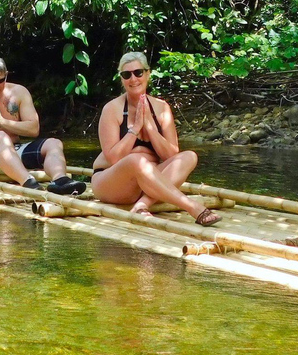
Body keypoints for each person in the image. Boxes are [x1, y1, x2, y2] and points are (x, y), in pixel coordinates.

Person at [90, 52, 221, 226]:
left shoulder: (161, 108)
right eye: (126, 75)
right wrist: (135, 128)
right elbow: (113, 158)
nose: (133, 79)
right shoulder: (112, 109)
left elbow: (170, 156)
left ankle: (143, 204)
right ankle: (192, 207)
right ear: (121, 79)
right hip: (112, 182)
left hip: (148, 182)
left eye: (138, 73)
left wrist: (150, 126)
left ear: (147, 74)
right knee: (136, 160)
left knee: (189, 156)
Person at [0, 56, 87, 195]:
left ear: (6, 75)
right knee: (0, 136)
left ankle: (60, 180)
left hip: (13, 154)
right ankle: (28, 182)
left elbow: (33, 129)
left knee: (54, 143)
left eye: (0, 81)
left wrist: (2, 122)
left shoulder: (19, 92)